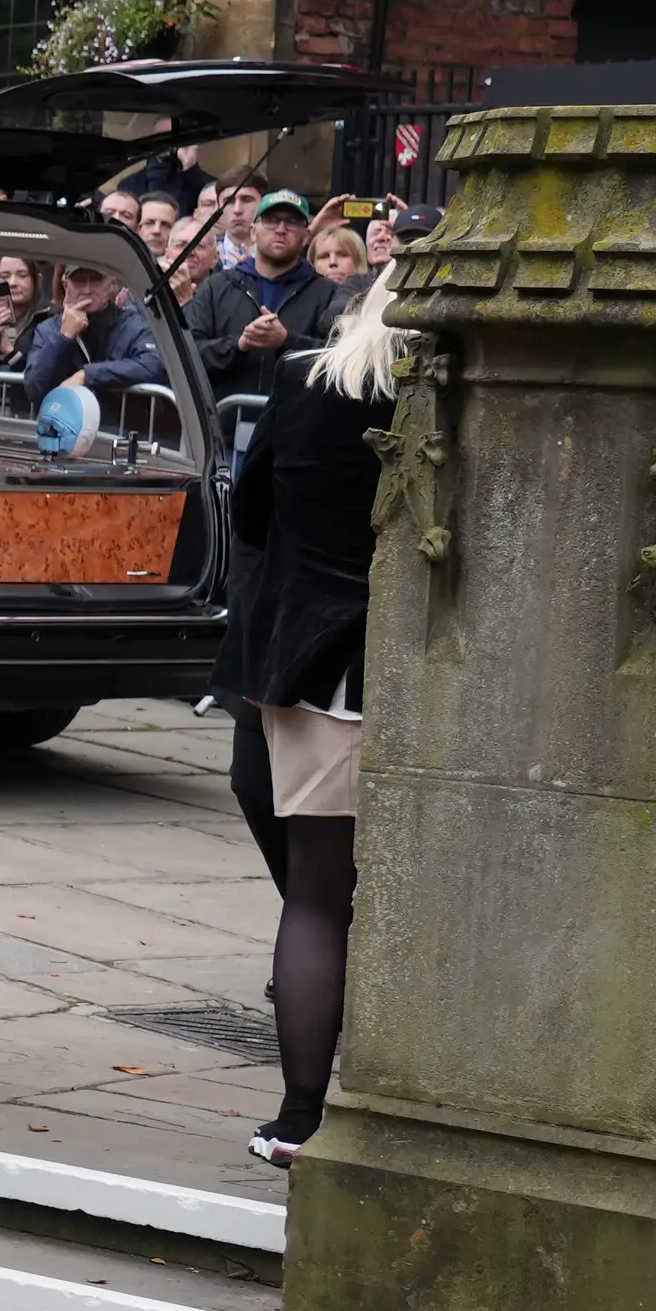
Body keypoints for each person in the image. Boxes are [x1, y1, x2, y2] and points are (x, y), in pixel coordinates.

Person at [212, 268, 404, 1167]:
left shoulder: (307, 380)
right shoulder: (459, 393)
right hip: (407, 665)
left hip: (320, 667)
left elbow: (251, 514)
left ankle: (298, 1119)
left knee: (319, 898)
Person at [186, 188, 344, 409]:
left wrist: (287, 341)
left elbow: (340, 359)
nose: (281, 229)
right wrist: (239, 345)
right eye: (271, 220)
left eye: (292, 222)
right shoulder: (217, 286)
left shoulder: (329, 293)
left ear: (306, 236)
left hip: (295, 428)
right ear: (253, 231)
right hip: (223, 426)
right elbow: (189, 354)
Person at [22, 259, 165, 409]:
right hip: (66, 426)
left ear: (111, 282)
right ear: (65, 285)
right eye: (79, 280)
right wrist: (63, 337)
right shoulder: (48, 328)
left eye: (96, 279)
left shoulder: (132, 324)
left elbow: (152, 365)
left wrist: (87, 375)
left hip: (119, 426)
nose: (87, 290)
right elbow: (34, 387)